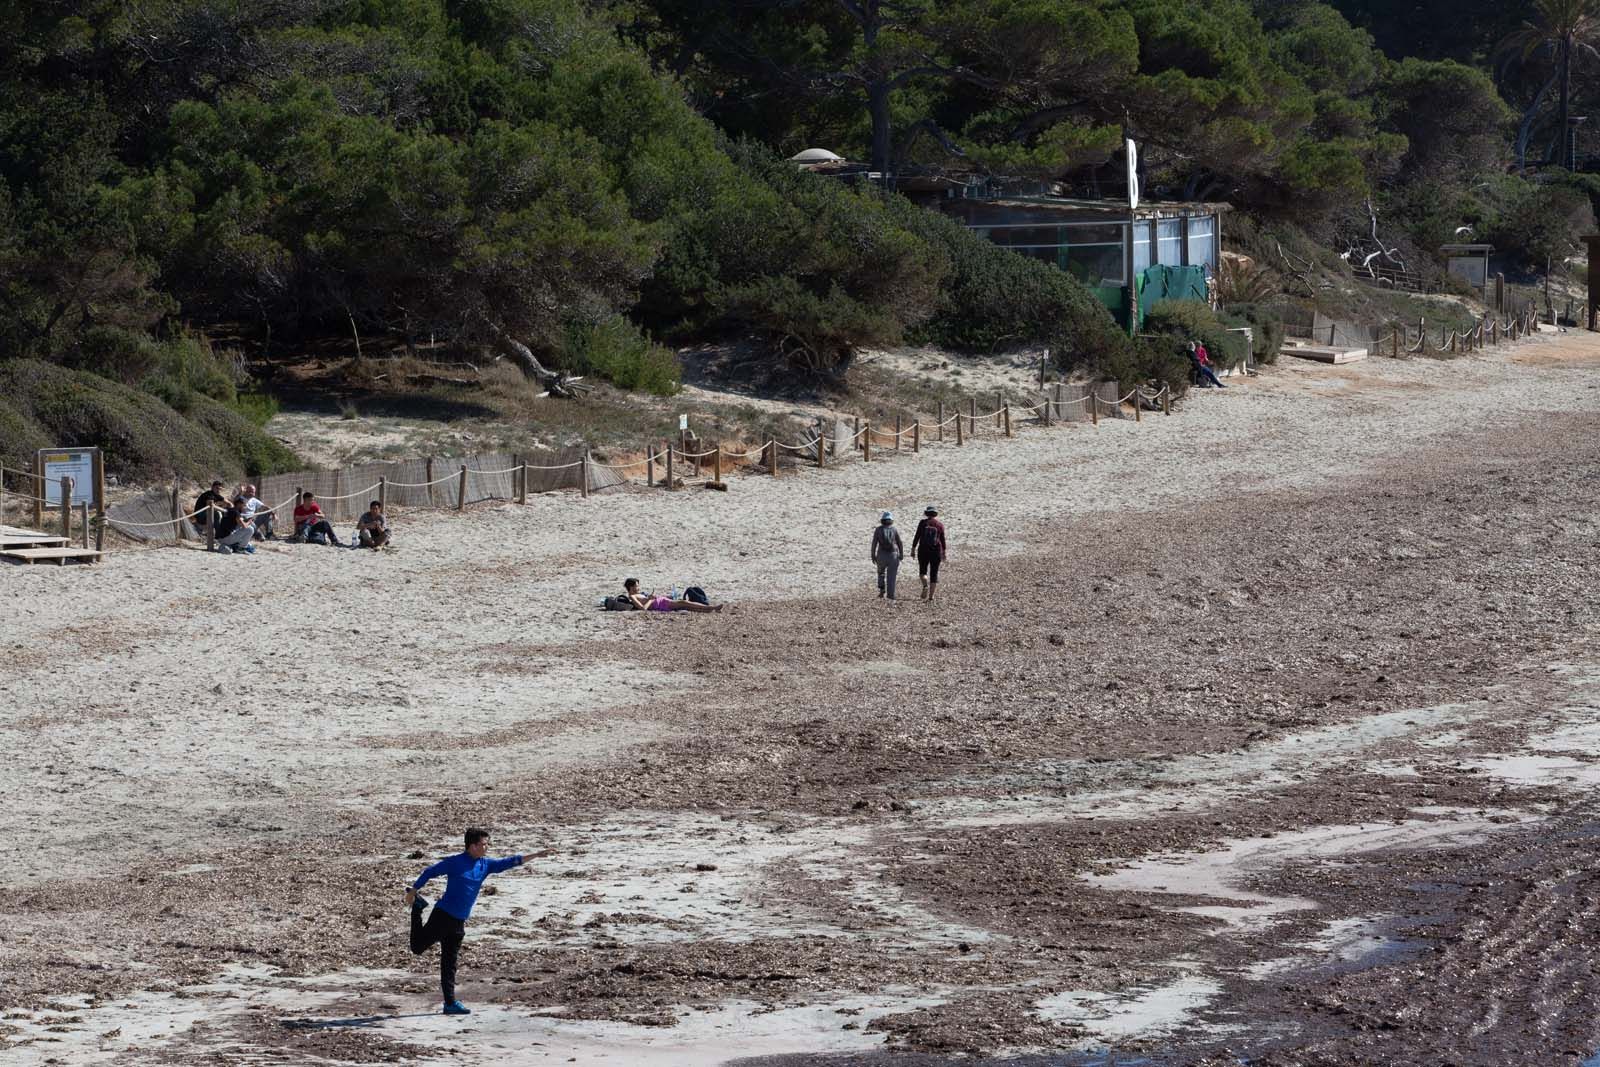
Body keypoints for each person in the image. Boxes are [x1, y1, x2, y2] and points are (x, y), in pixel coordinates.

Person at [406, 827, 528, 1016]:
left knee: (449, 963)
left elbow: (506, 863)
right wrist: (414, 891)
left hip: (459, 922)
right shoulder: (455, 862)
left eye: (488, 844)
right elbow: (430, 871)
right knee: (417, 948)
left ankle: (450, 1003)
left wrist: (535, 855)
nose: (487, 848)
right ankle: (418, 908)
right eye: (483, 844)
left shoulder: (485, 865)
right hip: (443, 916)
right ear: (472, 846)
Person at [622, 577, 723, 613]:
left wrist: (666, 596)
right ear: (631, 587)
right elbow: (643, 609)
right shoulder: (633, 596)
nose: (638, 588)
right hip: (660, 605)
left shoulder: (638, 594)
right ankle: (711, 607)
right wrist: (650, 599)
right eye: (637, 586)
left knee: (686, 606)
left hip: (662, 602)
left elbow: (650, 599)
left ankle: (709, 610)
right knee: (685, 603)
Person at [910, 505, 946, 602]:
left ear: (926, 513)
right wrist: (944, 553)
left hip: (923, 550)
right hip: (936, 551)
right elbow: (942, 540)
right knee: (934, 573)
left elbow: (917, 536)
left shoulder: (922, 523)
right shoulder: (940, 525)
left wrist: (913, 549)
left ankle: (925, 585)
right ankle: (931, 597)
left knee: (923, 571)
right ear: (935, 514)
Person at [870, 510, 904, 600]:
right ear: (891, 520)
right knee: (892, 576)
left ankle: (881, 590)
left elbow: (874, 543)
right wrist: (901, 554)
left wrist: (873, 555)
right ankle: (891, 595)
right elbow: (900, 542)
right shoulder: (894, 529)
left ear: (883, 520)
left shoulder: (878, 530)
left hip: (881, 554)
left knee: (881, 573)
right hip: (893, 555)